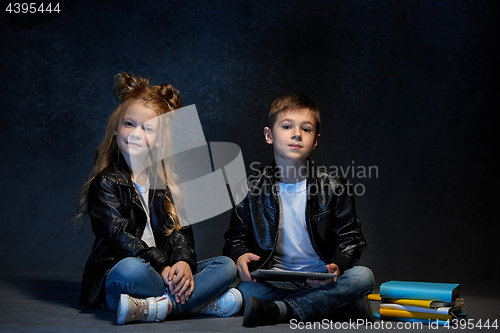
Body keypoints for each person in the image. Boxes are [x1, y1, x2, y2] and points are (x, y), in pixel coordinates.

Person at [76, 73, 242, 324]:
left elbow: (180, 234)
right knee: (129, 269)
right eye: (129, 124)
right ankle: (196, 303)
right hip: (123, 277)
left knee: (227, 265)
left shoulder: (165, 186)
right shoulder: (106, 182)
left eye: (148, 128)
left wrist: (184, 263)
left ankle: (160, 307)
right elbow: (120, 236)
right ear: (115, 130)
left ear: (159, 141)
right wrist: (164, 267)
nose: (136, 133)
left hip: (163, 274)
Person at [223, 93, 375, 326]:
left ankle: (283, 310)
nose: (296, 134)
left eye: (306, 129)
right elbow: (234, 239)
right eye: (286, 126)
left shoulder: (336, 187)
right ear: (269, 135)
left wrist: (337, 266)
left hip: (321, 279)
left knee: (364, 276)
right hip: (274, 280)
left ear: (315, 140)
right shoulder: (249, 187)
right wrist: (240, 256)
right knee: (245, 290)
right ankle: (334, 306)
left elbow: (352, 241)